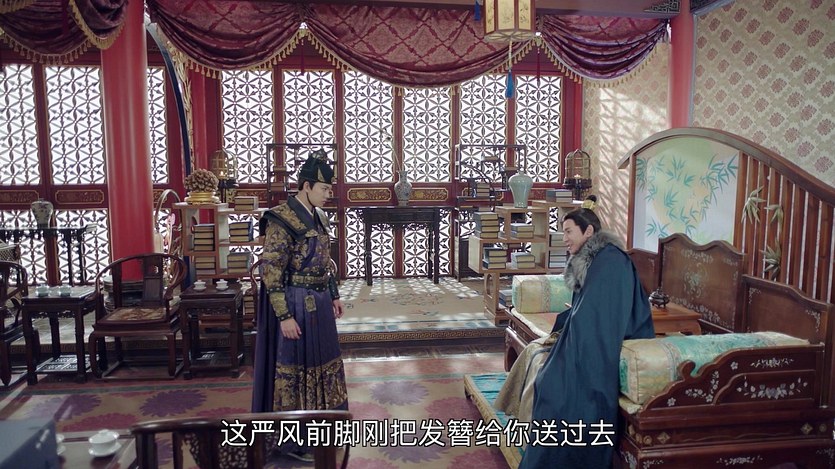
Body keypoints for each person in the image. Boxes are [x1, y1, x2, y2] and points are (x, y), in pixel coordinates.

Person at [519, 195, 655, 469]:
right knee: (548, 377)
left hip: (605, 339)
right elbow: (585, 310)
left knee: (558, 389)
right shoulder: (594, 260)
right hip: (590, 331)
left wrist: (569, 346)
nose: (564, 239)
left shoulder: (611, 261)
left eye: (568, 231)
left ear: (589, 231)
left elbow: (599, 319)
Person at [251, 149, 348, 463]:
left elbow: (325, 261)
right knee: (297, 369)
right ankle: (295, 442)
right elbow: (271, 271)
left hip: (319, 302)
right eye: (324, 189)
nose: (328, 195)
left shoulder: (320, 216)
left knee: (325, 366)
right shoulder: (280, 218)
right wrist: (283, 316)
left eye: (330, 189)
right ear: (306, 186)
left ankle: (326, 430)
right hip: (295, 303)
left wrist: (333, 294)